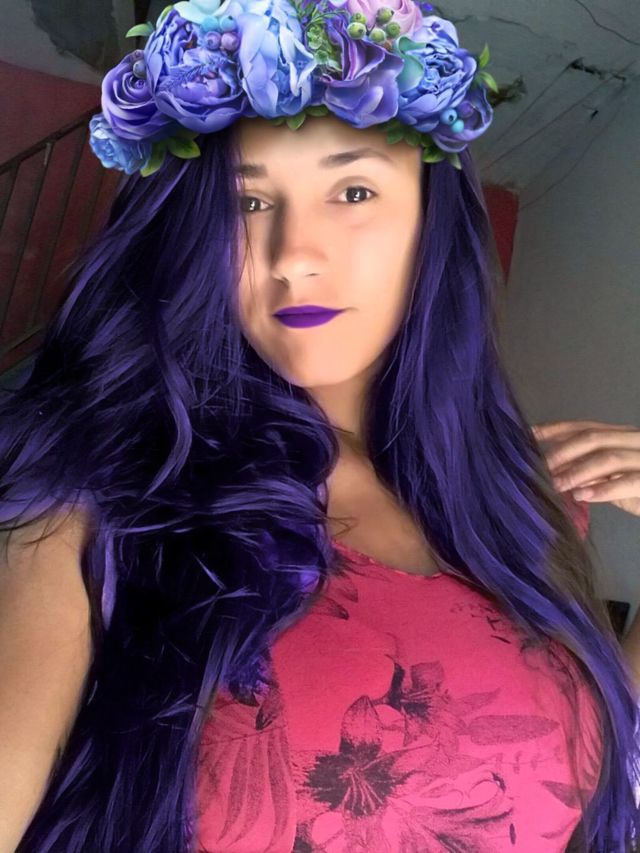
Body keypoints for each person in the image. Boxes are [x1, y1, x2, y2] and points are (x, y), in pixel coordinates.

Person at [0, 2, 639, 851]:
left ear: (431, 226)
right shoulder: (99, 487)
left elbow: (589, 767)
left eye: (354, 190)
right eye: (248, 201)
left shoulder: (523, 503)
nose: (294, 253)